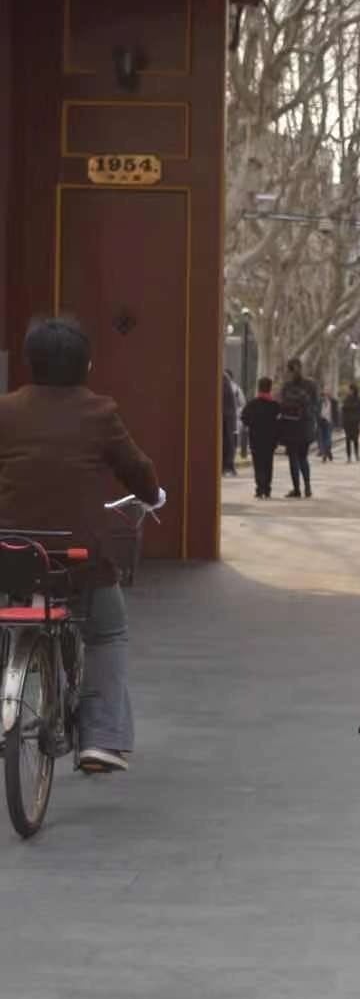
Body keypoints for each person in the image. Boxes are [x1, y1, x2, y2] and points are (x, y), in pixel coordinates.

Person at [0, 316, 162, 774]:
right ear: (86, 365)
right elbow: (137, 469)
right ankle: (102, 739)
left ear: (30, 362)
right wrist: (152, 495)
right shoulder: (99, 412)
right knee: (107, 633)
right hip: (78, 557)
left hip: (11, 551)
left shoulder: (5, 410)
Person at [278, 357, 318, 499]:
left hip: (291, 425)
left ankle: (296, 489)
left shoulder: (287, 386)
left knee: (293, 458)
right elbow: (315, 405)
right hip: (306, 425)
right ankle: (307, 486)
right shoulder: (311, 385)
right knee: (303, 457)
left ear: (289, 370)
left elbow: (281, 405)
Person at [241, 376, 280, 499]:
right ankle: (267, 489)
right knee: (268, 463)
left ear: (259, 388)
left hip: (256, 438)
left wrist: (252, 424)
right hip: (270, 439)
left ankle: (259, 488)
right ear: (270, 388)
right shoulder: (275, 405)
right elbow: (280, 422)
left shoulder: (252, 404)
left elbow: (244, 418)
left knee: (258, 464)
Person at [221, 369, 240, 477]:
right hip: (226, 416)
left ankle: (228, 466)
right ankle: (227, 466)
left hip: (226, 417)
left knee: (228, 441)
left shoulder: (223, 379)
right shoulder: (224, 379)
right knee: (227, 441)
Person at [342, 383, 360, 461]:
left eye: (349, 389)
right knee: (347, 439)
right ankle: (348, 456)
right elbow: (343, 410)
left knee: (355, 439)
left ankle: (356, 453)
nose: (348, 391)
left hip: (355, 422)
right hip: (347, 422)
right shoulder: (346, 399)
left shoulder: (359, 400)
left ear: (353, 390)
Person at [317, 390, 335, 463]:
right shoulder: (319, 402)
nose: (324, 397)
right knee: (321, 438)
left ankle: (326, 452)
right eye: (323, 396)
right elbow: (316, 411)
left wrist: (337, 423)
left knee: (328, 438)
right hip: (321, 422)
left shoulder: (333, 402)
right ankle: (326, 452)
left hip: (329, 422)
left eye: (326, 395)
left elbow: (336, 413)